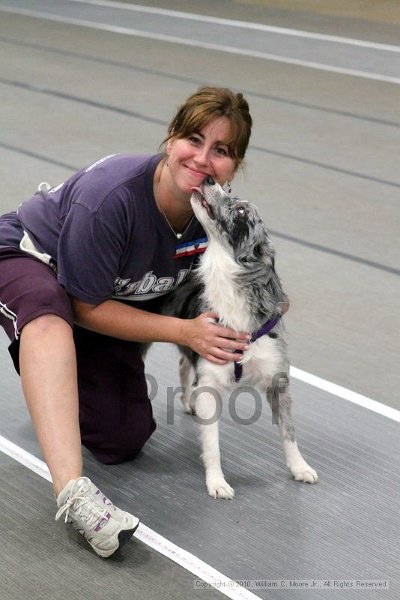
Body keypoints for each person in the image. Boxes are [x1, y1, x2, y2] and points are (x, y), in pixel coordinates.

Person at [0, 86, 253, 557]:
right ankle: (74, 494)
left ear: (235, 165)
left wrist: (264, 302)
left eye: (220, 150)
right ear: (171, 136)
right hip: (30, 258)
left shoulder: (219, 215)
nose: (201, 158)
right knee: (49, 312)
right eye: (193, 139)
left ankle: (55, 382)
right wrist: (185, 331)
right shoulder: (110, 198)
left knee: (124, 437)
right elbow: (83, 307)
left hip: (103, 293)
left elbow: (225, 283)